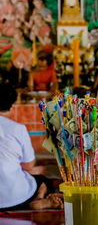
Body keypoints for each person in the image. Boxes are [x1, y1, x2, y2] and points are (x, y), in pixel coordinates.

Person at [0, 83, 63, 211]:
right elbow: (28, 166)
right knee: (43, 181)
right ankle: (39, 199)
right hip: (15, 199)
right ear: (12, 107)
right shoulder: (18, 129)